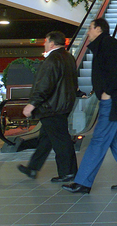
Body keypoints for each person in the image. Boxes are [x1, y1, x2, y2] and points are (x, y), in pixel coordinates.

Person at [63, 18, 117, 194]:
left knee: (99, 139)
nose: (87, 32)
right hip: (113, 100)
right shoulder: (106, 44)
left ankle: (83, 182)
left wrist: (108, 91)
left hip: (112, 100)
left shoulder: (108, 44)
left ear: (99, 29)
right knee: (115, 140)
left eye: (90, 28)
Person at [17, 31, 79, 182]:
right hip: (63, 105)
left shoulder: (52, 59)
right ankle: (33, 168)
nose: (44, 44)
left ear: (52, 43)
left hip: (52, 107)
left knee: (61, 141)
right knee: (46, 139)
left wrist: (32, 104)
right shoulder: (68, 57)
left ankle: (68, 172)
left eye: (46, 41)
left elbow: (44, 85)